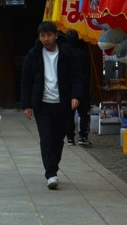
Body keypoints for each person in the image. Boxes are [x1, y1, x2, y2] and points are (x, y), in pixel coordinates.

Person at [21, 21, 82, 189]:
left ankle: (53, 166)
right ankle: (51, 174)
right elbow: (26, 80)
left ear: (56, 35)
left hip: (63, 103)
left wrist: (76, 95)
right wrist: (27, 104)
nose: (46, 39)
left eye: (49, 35)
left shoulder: (67, 53)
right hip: (42, 103)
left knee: (58, 140)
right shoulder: (33, 54)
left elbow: (77, 76)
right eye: (42, 36)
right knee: (46, 139)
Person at [64, 30, 92, 147]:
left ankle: (70, 137)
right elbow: (87, 72)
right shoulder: (83, 54)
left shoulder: (63, 54)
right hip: (82, 86)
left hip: (67, 87)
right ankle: (83, 136)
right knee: (84, 112)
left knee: (69, 114)